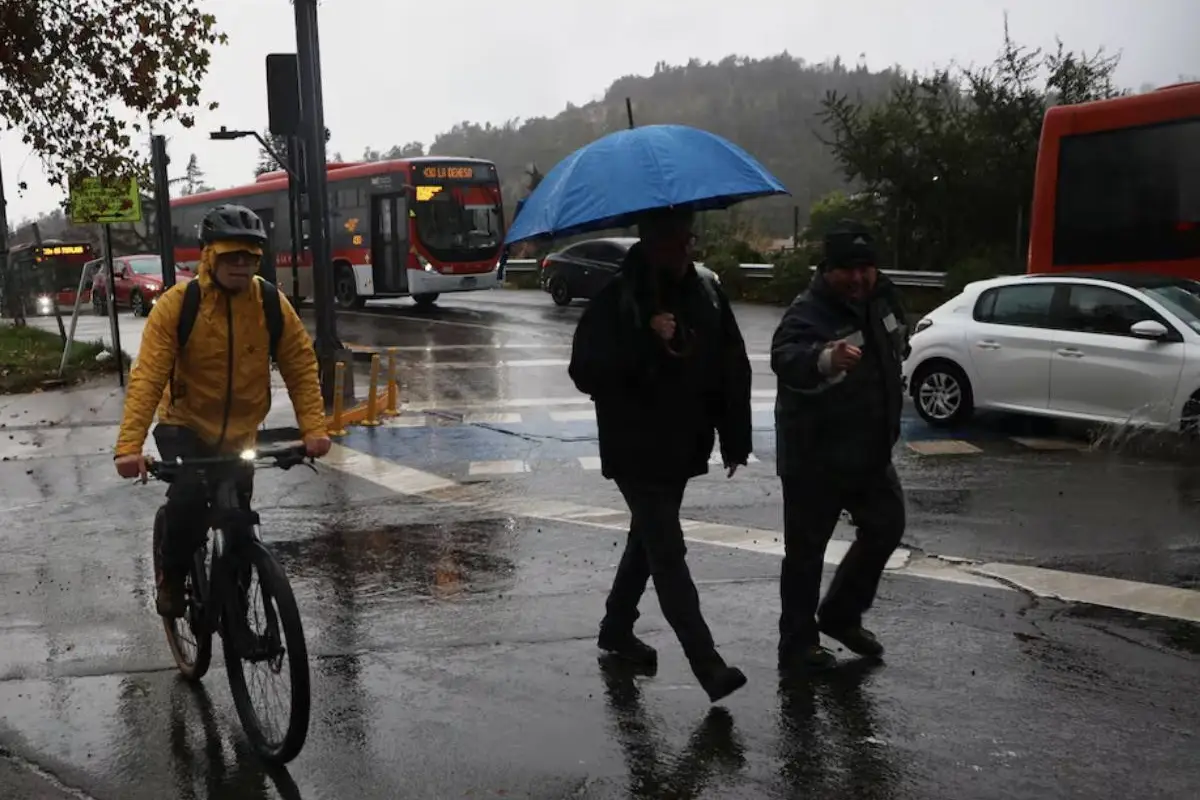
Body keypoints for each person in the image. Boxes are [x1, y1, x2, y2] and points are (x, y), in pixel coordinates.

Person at [568, 207, 753, 703]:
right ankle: (707, 663)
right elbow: (585, 370)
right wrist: (642, 338)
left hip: (683, 445)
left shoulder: (706, 292)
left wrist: (736, 437)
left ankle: (616, 628)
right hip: (635, 447)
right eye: (675, 240)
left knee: (646, 540)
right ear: (650, 243)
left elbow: (730, 365)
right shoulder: (617, 300)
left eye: (688, 239)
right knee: (667, 551)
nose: (686, 248)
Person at [113, 204, 331, 618]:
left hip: (240, 431)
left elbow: (300, 364)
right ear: (209, 255)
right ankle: (173, 579)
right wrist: (129, 446)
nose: (241, 264)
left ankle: (238, 615)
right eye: (231, 255)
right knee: (190, 499)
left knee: (238, 523)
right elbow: (148, 377)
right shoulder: (178, 305)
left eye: (249, 256)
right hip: (185, 424)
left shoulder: (269, 302)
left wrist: (313, 429)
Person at [770, 220, 909, 672]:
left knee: (887, 526)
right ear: (828, 269)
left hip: (869, 451)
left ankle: (840, 614)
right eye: (848, 269)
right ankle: (797, 644)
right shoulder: (808, 311)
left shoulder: (882, 300)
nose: (858, 277)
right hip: (816, 454)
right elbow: (785, 356)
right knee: (806, 554)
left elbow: (896, 344)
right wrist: (823, 359)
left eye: (866, 267)